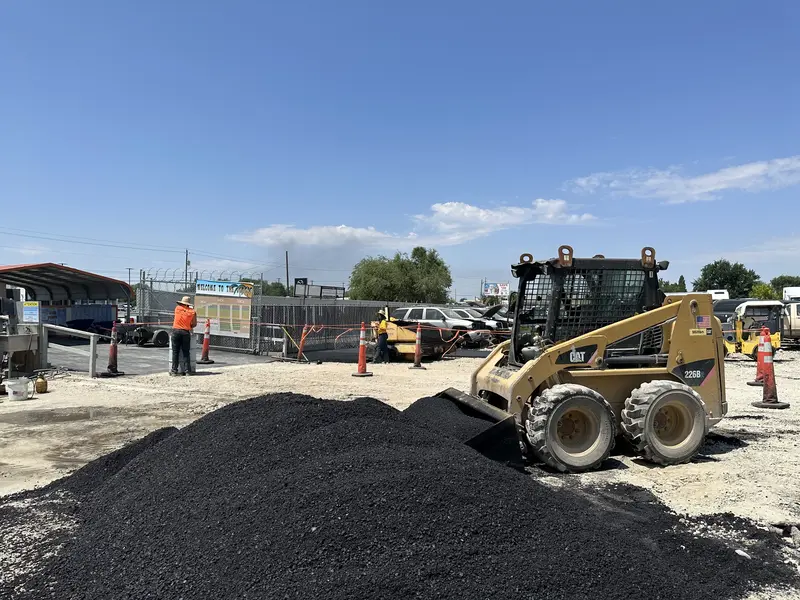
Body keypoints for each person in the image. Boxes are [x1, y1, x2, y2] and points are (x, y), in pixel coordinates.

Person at [170, 295, 197, 376]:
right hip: (185, 332)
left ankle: (174, 370)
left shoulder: (177, 308)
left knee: (175, 352)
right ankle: (187, 371)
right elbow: (194, 324)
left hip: (175, 331)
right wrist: (189, 326)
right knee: (186, 352)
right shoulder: (192, 312)